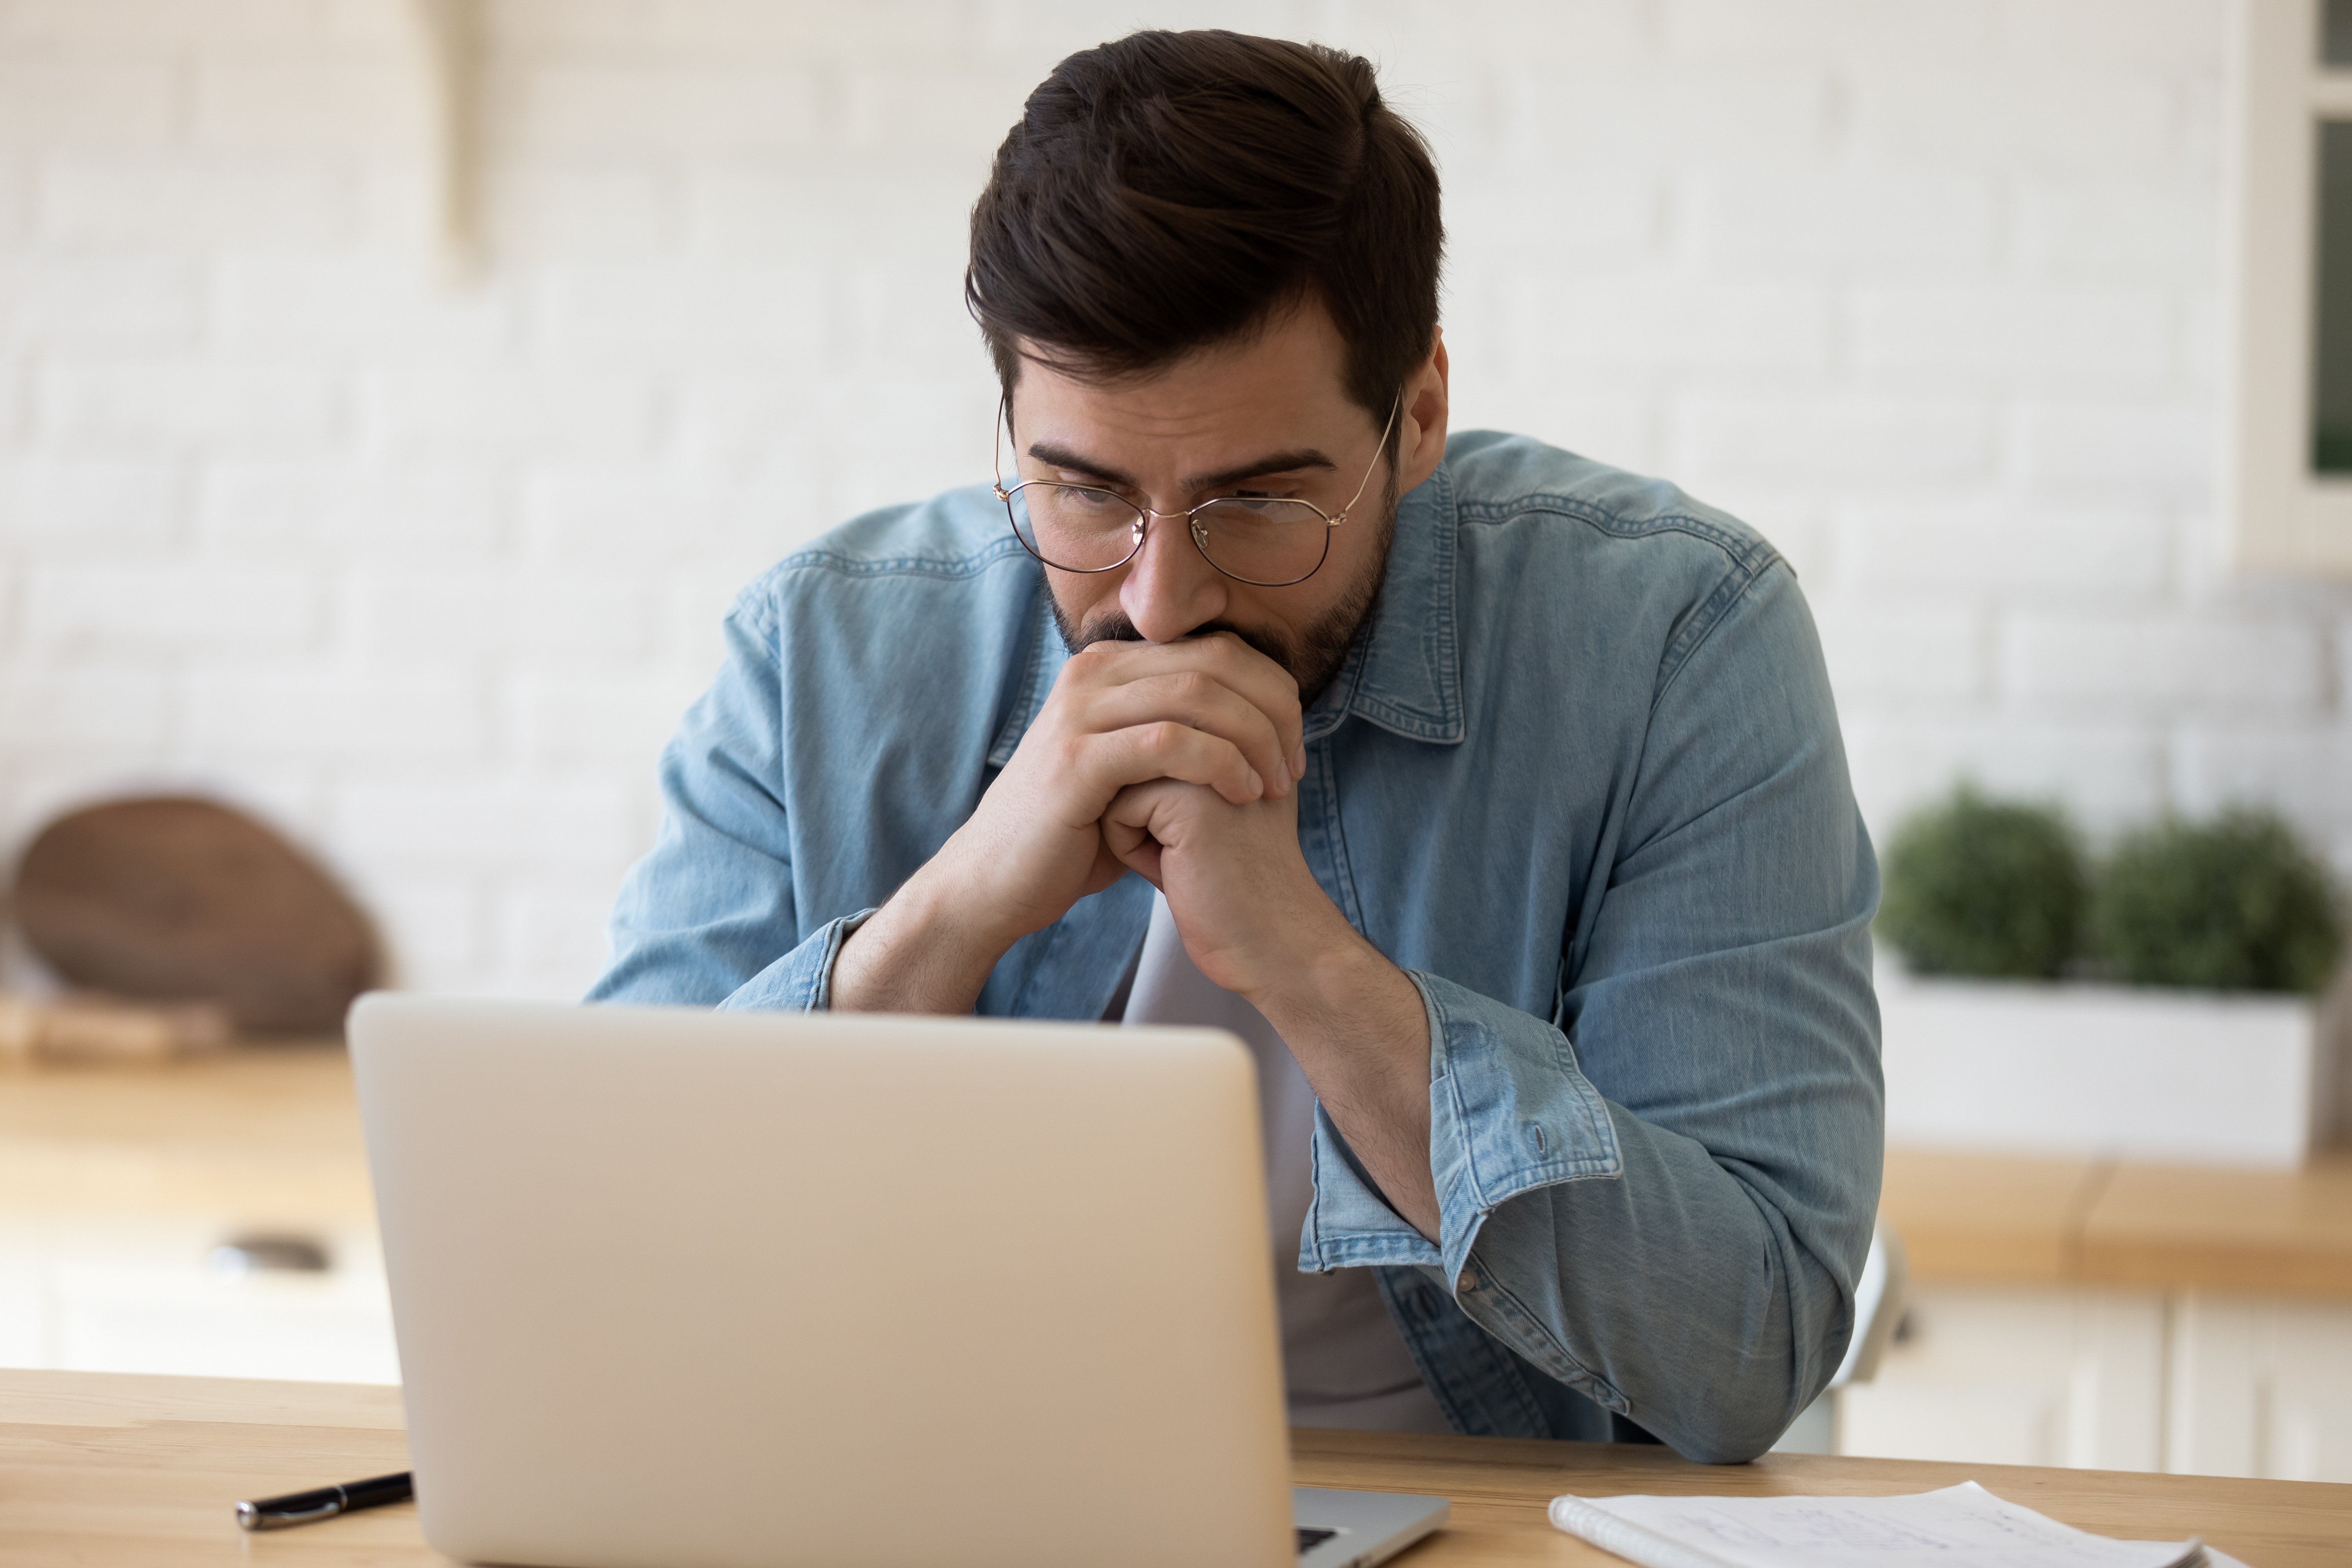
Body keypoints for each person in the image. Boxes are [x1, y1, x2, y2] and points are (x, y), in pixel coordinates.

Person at [589, 28, 1882, 1463]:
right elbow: (596, 1263)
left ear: (1422, 412)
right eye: (1082, 492)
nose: (1164, 596)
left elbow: (1752, 1339)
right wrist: (949, 915)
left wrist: (1309, 964)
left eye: (1259, 503)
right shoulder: (818, 653)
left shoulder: (1676, 639)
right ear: (1012, 424)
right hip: (931, 1496)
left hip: (1475, 1516)